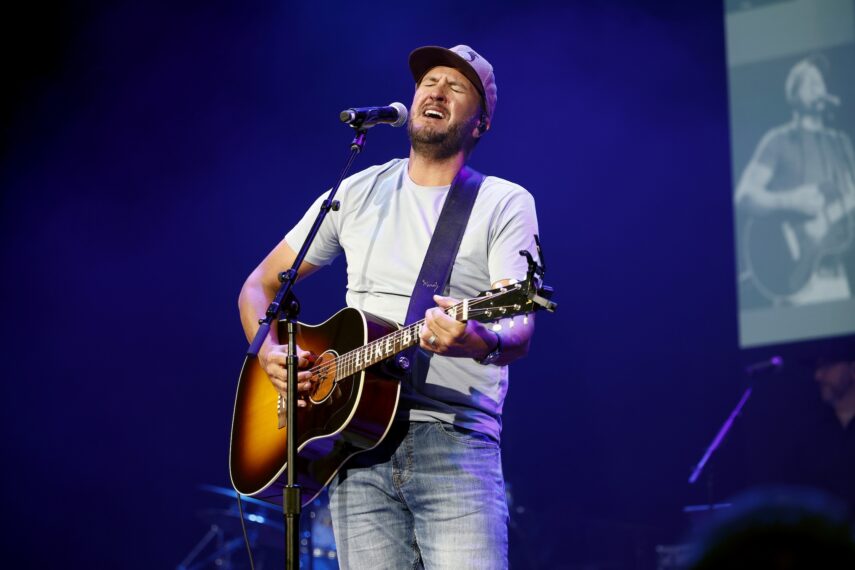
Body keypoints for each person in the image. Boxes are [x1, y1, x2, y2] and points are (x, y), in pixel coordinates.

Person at [238, 44, 539, 569]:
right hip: (352, 447)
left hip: (454, 442)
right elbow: (259, 287)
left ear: (480, 124)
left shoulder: (503, 202)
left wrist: (478, 339)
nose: (437, 91)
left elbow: (519, 327)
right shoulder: (356, 191)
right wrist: (269, 352)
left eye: (457, 87)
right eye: (430, 81)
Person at [734, 55, 855, 307]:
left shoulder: (842, 143)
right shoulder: (778, 140)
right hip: (794, 279)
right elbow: (744, 195)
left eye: (820, 81)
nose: (818, 86)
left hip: (838, 274)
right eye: (809, 81)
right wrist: (791, 201)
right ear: (793, 94)